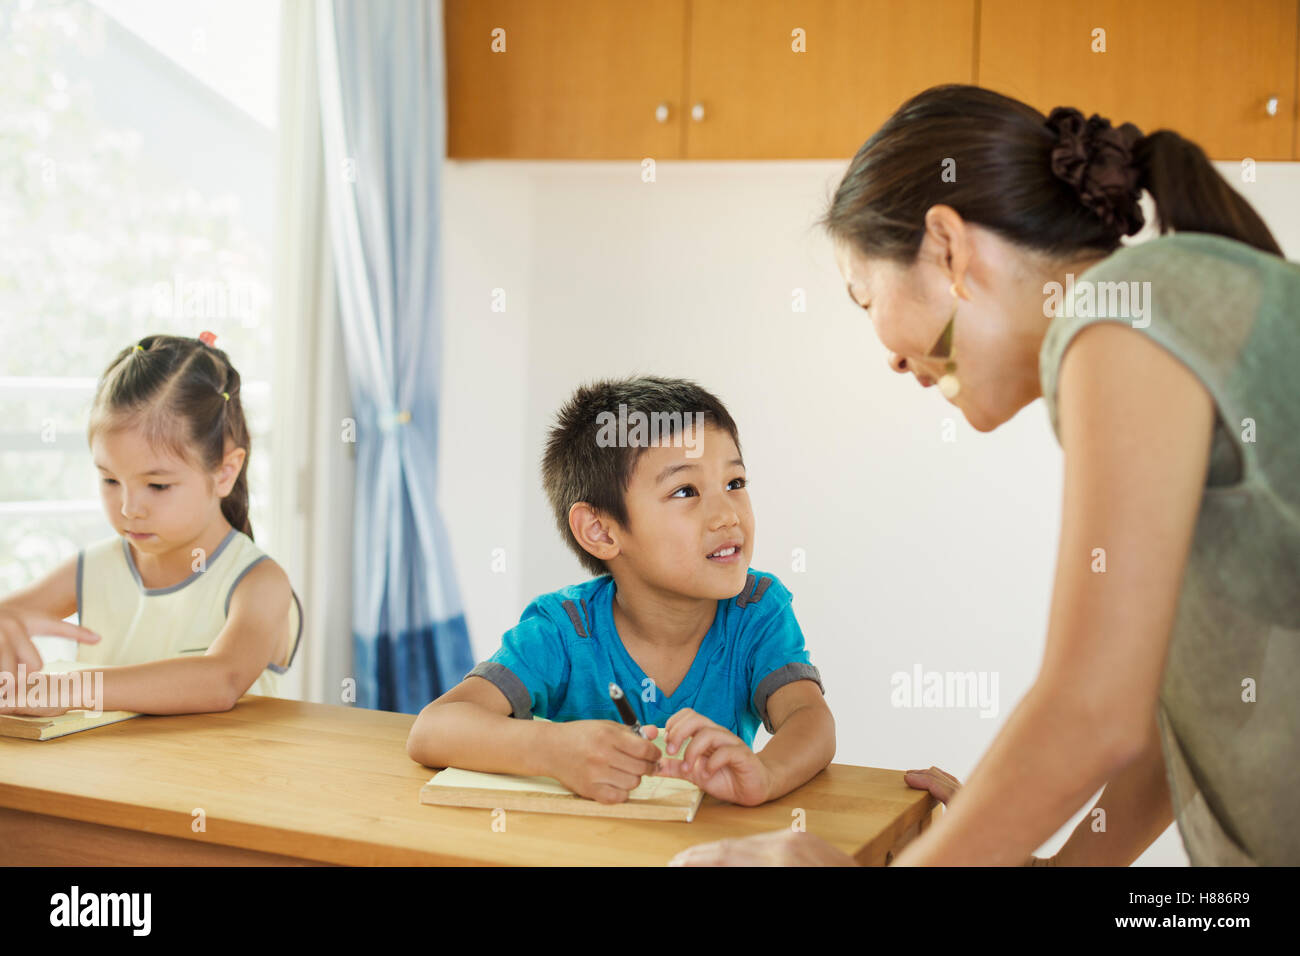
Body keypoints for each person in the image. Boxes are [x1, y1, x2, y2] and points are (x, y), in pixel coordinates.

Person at [669, 84, 1298, 866]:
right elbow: (1174, 725)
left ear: (948, 248)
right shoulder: (1158, 303)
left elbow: (1092, 714)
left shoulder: (1119, 321)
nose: (893, 357)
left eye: (865, 296)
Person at [407, 376, 834, 806]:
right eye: (686, 491)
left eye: (735, 484)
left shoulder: (756, 610)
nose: (727, 515)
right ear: (600, 531)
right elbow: (434, 728)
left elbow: (808, 717)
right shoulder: (565, 628)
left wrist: (766, 774)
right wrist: (552, 749)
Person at [0, 333, 302, 716]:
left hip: (217, 776)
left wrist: (72, 687)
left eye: (157, 486)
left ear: (225, 471)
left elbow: (220, 680)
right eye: (110, 480)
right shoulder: (93, 569)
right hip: (109, 775)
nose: (129, 508)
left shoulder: (259, 582)